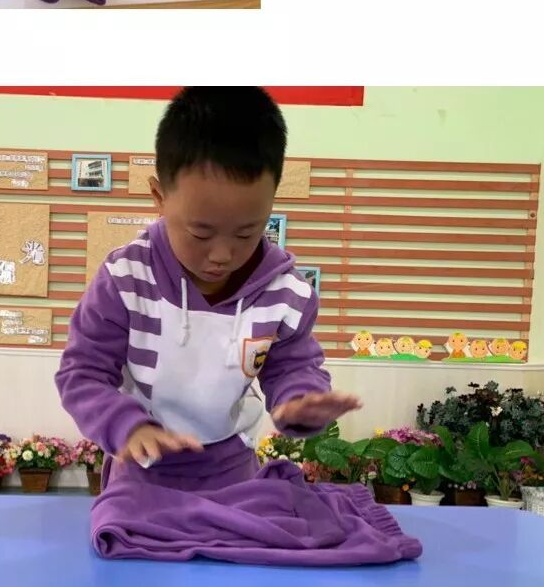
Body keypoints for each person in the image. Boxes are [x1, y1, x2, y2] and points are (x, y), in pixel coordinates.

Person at [55, 87, 362, 493]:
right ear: (159, 197)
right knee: (126, 533)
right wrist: (125, 426)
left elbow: (291, 367)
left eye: (247, 233)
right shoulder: (126, 278)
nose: (222, 255)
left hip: (232, 466)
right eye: (200, 233)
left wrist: (299, 401)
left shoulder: (285, 293)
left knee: (270, 529)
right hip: (142, 465)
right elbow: (82, 372)